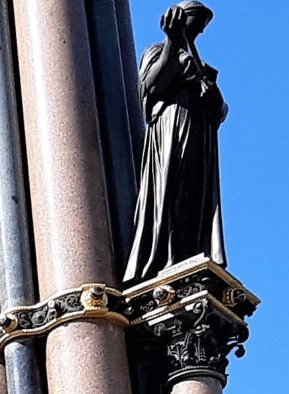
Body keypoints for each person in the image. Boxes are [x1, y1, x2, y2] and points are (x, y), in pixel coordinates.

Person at [122, 0, 227, 282]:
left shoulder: (204, 68)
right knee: (171, 190)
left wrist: (212, 95)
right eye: (198, 21)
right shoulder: (157, 51)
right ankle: (166, 256)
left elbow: (221, 111)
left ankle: (187, 253)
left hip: (199, 135)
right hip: (171, 129)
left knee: (194, 195)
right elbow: (152, 86)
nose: (201, 30)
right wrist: (172, 42)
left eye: (204, 25)